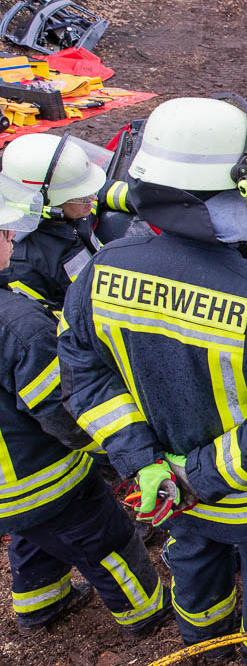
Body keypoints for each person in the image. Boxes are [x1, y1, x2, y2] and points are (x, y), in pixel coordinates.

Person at [58, 96, 247, 662]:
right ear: (222, 190)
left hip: (171, 498)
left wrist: (147, 465)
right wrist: (192, 476)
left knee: (196, 578)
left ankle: (204, 650)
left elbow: (86, 379)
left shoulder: (100, 273)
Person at [0, 175, 168, 636]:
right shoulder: (16, 324)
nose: (12, 238)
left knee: (35, 534)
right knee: (107, 540)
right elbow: (61, 409)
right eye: (3, 233)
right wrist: (114, 453)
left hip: (10, 486)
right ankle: (146, 615)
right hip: (39, 476)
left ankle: (40, 605)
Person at [1, 133, 111, 305]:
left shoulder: (70, 210)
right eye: (82, 196)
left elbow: (100, 194)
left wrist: (136, 197)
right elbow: (47, 321)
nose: (93, 199)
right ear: (44, 201)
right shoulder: (23, 266)